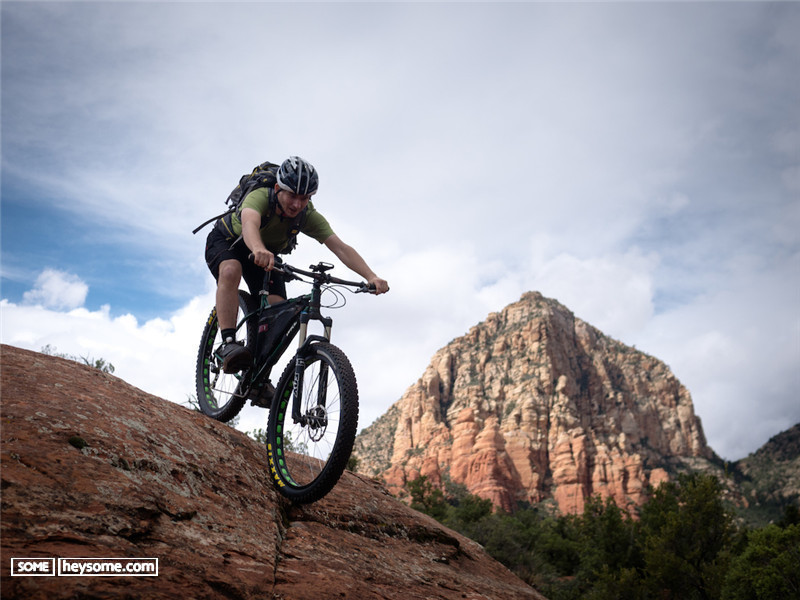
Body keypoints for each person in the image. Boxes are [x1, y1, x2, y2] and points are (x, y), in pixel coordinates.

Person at [205, 156, 389, 373]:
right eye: (292, 196)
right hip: (228, 241)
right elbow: (249, 224)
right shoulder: (260, 197)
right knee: (230, 269)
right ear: (277, 188)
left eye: (304, 198)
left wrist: (371, 276)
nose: (297, 204)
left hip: (265, 254)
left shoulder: (307, 215)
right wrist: (257, 248)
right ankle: (228, 343)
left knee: (278, 310)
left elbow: (340, 247)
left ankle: (258, 375)